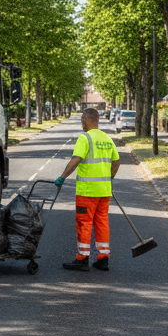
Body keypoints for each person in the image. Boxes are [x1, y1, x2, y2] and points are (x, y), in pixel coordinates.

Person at [53, 107, 120, 271]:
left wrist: (62, 176)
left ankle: (82, 259)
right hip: (104, 191)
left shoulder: (85, 138)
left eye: (82, 120)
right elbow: (116, 162)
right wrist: (109, 178)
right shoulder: (107, 138)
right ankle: (103, 258)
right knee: (102, 222)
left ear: (85, 120)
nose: (82, 123)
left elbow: (76, 159)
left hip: (87, 192)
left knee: (84, 223)